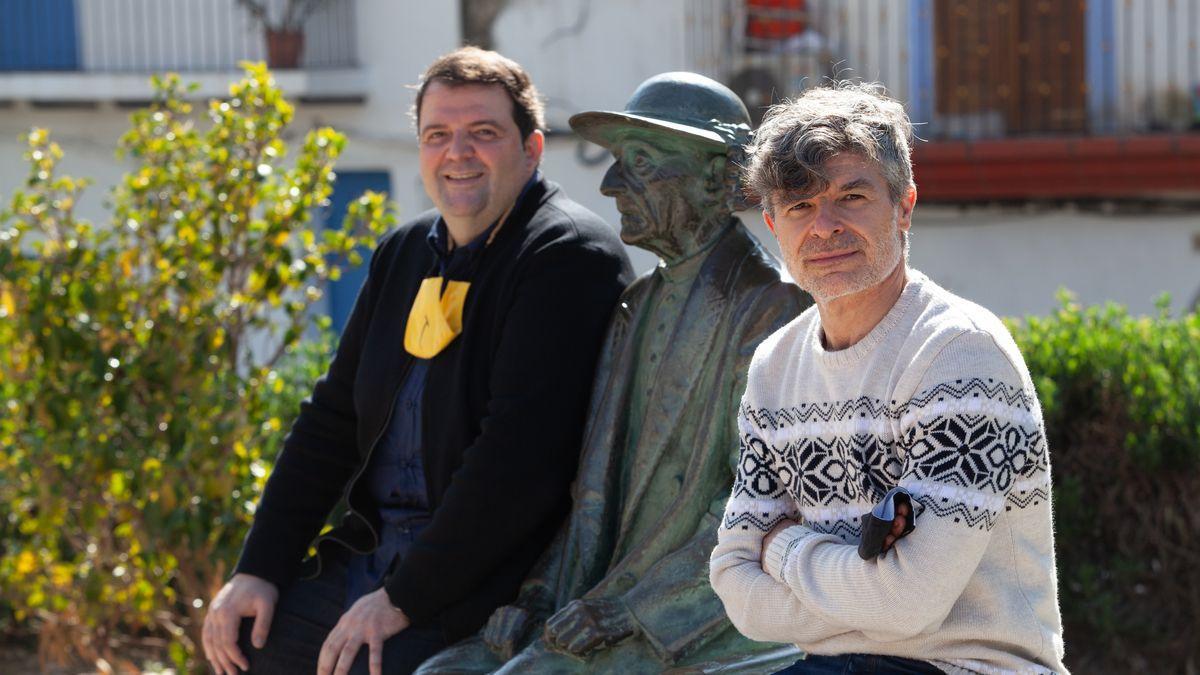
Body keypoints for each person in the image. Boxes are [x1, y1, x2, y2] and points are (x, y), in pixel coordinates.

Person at [200, 47, 633, 675]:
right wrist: (257, 569)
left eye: (483, 133)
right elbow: (331, 420)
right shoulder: (405, 252)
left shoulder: (567, 255)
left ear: (532, 148)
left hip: (487, 584)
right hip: (370, 557)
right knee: (247, 643)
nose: (457, 152)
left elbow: (516, 463)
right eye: (438, 135)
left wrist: (403, 599)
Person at [416, 72, 809, 674]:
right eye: (618, 162)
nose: (611, 184)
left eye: (643, 163)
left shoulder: (771, 307)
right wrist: (540, 595)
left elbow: (761, 504)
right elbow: (592, 492)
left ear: (715, 177)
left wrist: (631, 611)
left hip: (692, 617)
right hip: (600, 599)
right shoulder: (636, 304)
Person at [709, 82, 1068, 674]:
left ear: (904, 205)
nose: (823, 226)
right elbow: (736, 588)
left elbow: (908, 603)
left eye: (851, 196)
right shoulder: (775, 367)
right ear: (773, 224)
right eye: (799, 206)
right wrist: (865, 589)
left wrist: (784, 546)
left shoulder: (959, 354)